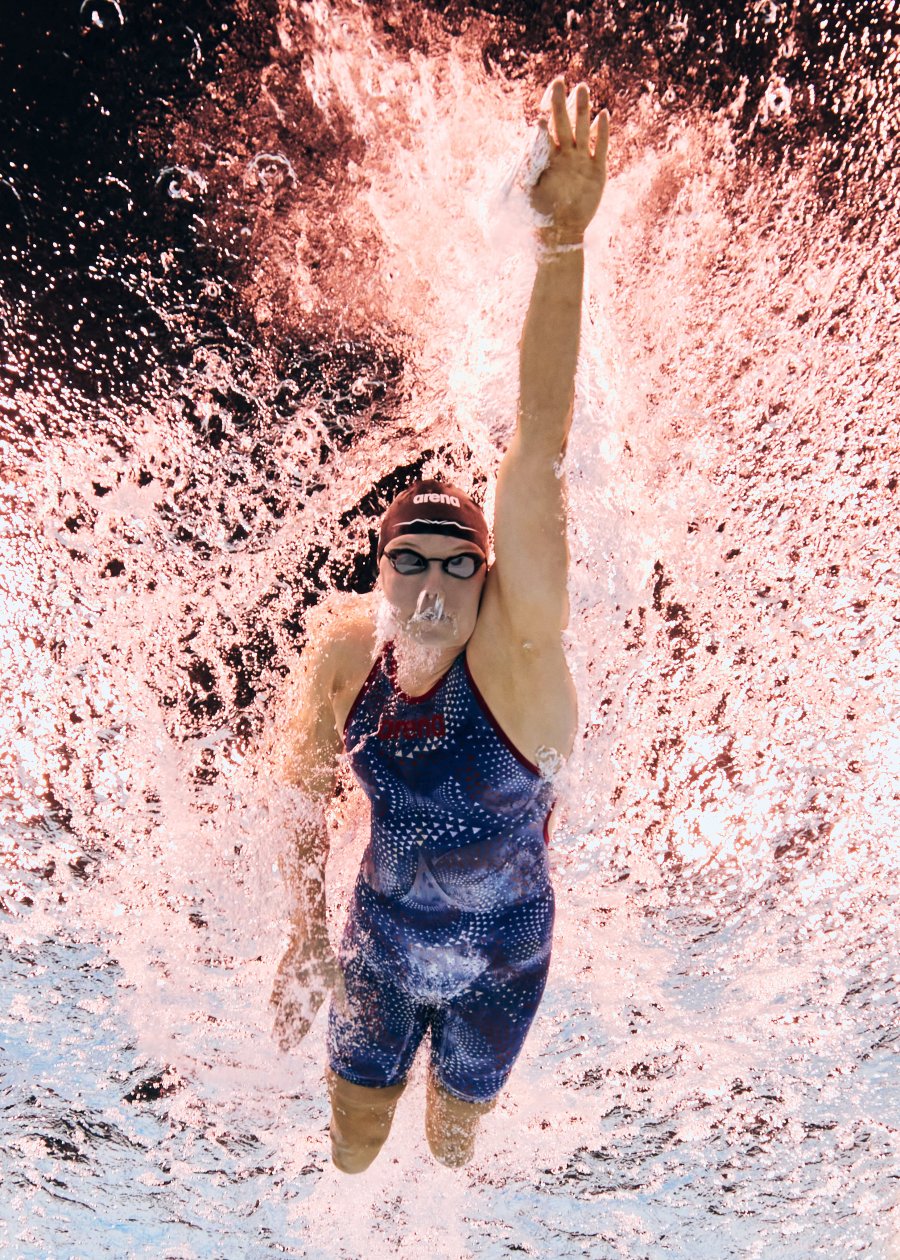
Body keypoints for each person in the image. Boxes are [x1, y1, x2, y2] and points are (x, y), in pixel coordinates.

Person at [270, 77, 610, 1172]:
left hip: (503, 964)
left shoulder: (516, 662)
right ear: (376, 571)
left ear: (487, 579)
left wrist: (562, 243)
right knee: (354, 1148)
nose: (431, 585)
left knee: (453, 1147)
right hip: (374, 946)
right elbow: (299, 788)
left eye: (458, 565)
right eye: (406, 561)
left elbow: (538, 450)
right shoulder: (343, 654)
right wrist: (298, 935)